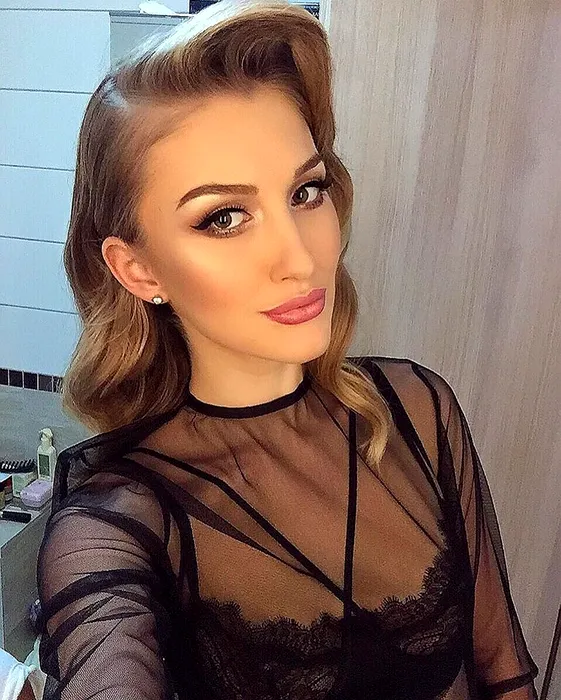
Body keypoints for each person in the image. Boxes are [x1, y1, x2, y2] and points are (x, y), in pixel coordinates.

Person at [30, 0, 539, 698]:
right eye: (224, 217)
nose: (301, 258)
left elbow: (502, 670)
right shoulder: (121, 523)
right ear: (138, 269)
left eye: (305, 191)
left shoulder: (417, 411)